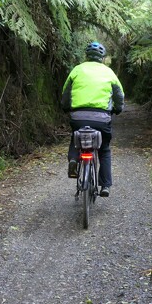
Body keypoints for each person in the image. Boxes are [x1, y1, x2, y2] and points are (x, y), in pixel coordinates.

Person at [60, 41, 124, 197]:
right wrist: (118, 109)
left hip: (78, 117)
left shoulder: (76, 70)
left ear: (86, 56)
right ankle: (105, 186)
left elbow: (66, 94)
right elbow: (119, 95)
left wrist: (66, 107)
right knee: (104, 149)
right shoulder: (109, 72)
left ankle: (74, 160)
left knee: (75, 138)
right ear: (102, 57)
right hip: (102, 119)